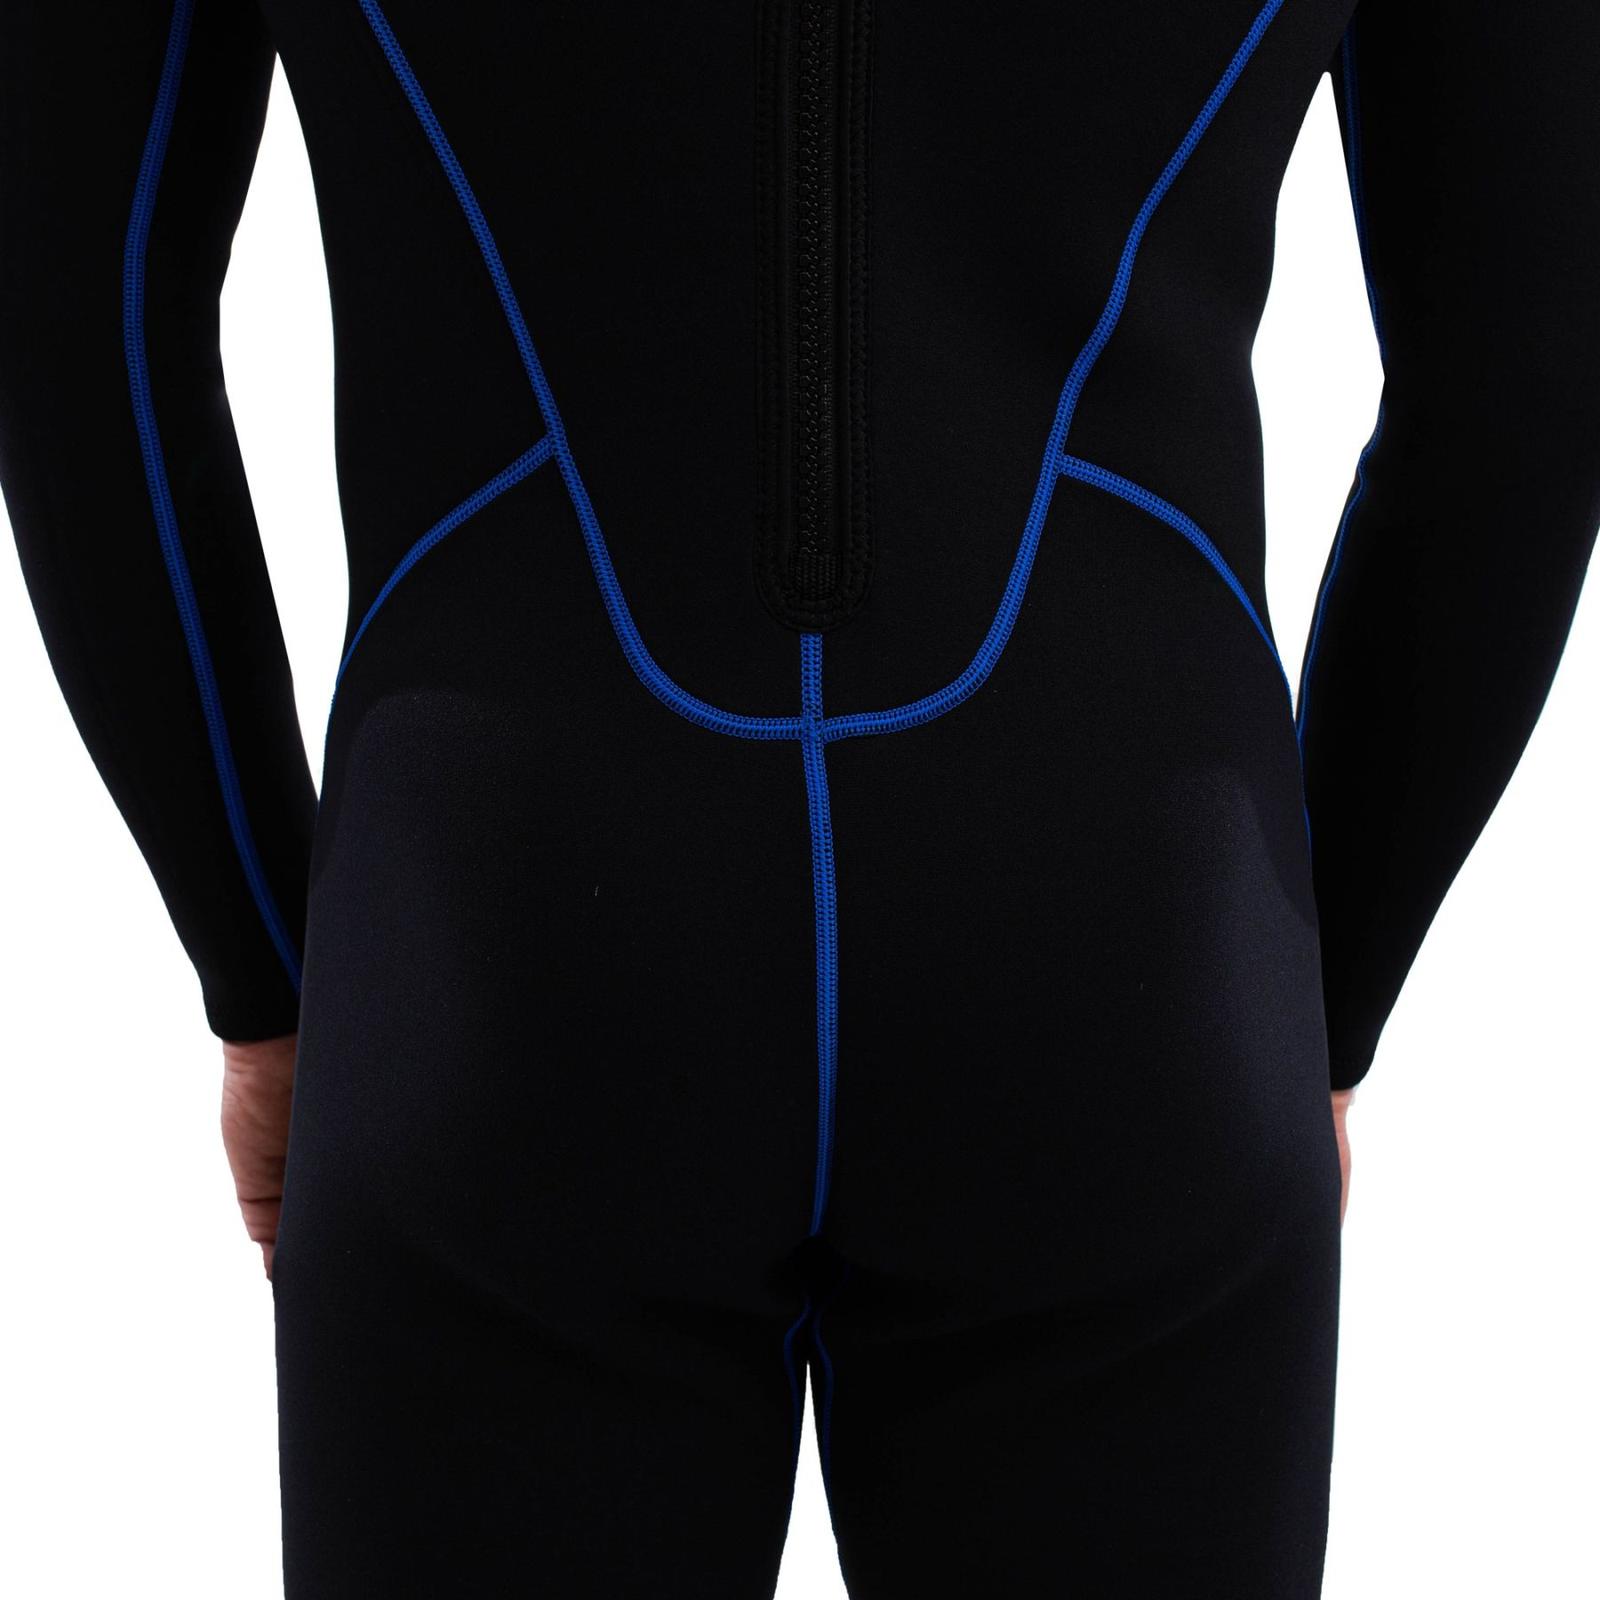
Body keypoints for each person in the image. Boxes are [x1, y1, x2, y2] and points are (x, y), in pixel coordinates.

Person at [1, 1, 1594, 1595]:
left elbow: (77, 325)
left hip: (498, 929)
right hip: (1134, 928)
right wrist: (1319, 979)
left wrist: (261, 957)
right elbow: (1529, 379)